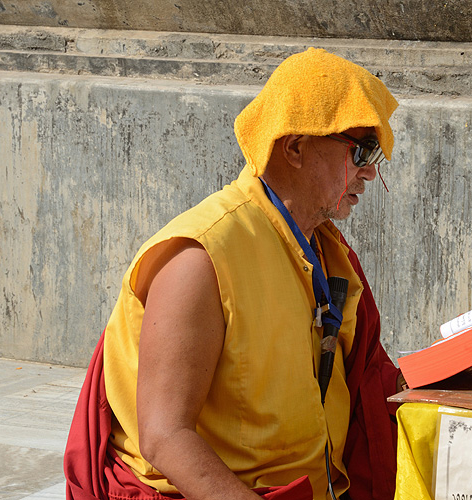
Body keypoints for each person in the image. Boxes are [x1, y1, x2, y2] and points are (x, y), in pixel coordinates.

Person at [64, 48, 405, 500]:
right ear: (296, 148)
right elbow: (165, 437)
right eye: (360, 149)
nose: (367, 172)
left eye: (374, 154)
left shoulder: (324, 250)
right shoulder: (201, 257)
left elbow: (365, 376)